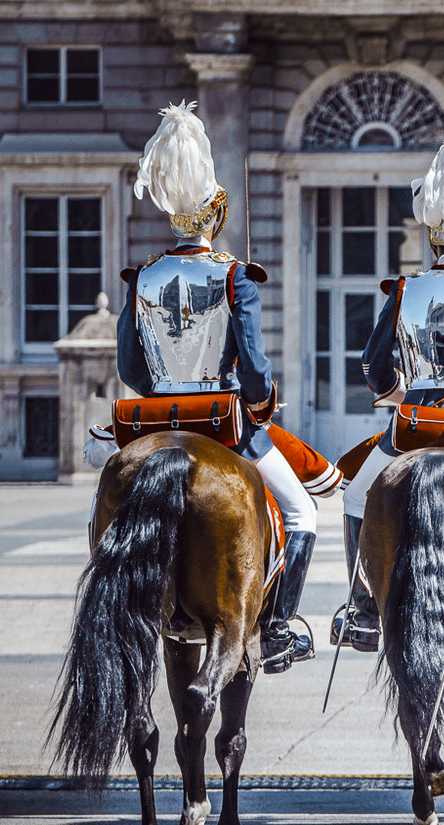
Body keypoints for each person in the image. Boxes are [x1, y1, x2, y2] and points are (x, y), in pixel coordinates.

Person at [115, 100, 318, 675]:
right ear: (217, 215)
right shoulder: (234, 276)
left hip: (152, 421)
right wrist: (263, 402)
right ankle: (277, 628)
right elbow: (253, 368)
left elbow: (132, 368)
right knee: (301, 515)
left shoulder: (142, 277)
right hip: (224, 423)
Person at [334, 135, 444, 654]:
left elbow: (371, 364)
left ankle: (364, 611)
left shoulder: (406, 290)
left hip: (413, 424)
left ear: (431, 238)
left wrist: (397, 394)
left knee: (353, 498)